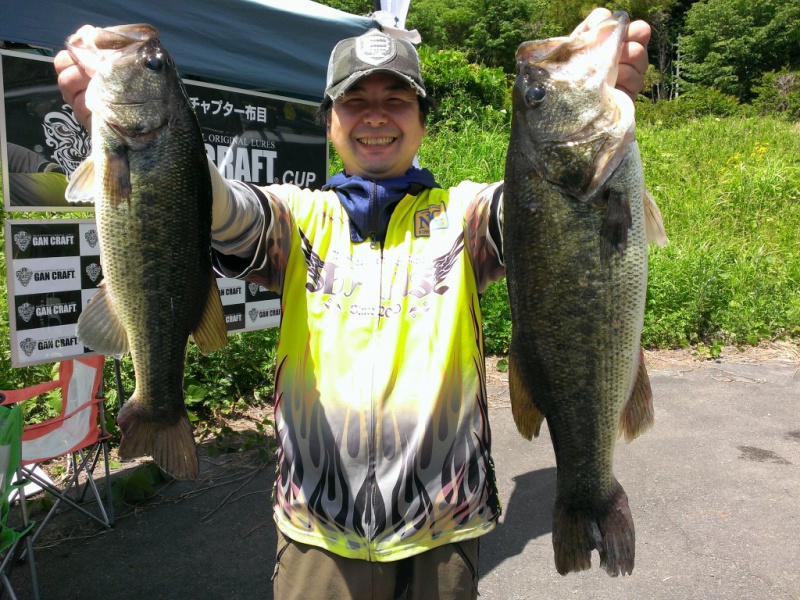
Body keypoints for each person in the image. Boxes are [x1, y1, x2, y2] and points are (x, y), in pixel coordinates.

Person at [55, 9, 650, 599]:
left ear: (421, 121)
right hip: (316, 536)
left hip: (443, 534)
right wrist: (135, 134)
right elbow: (210, 202)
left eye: (397, 99)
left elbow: (549, 209)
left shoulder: (466, 217)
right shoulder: (291, 218)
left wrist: (600, 106)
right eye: (354, 101)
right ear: (330, 123)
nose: (375, 116)